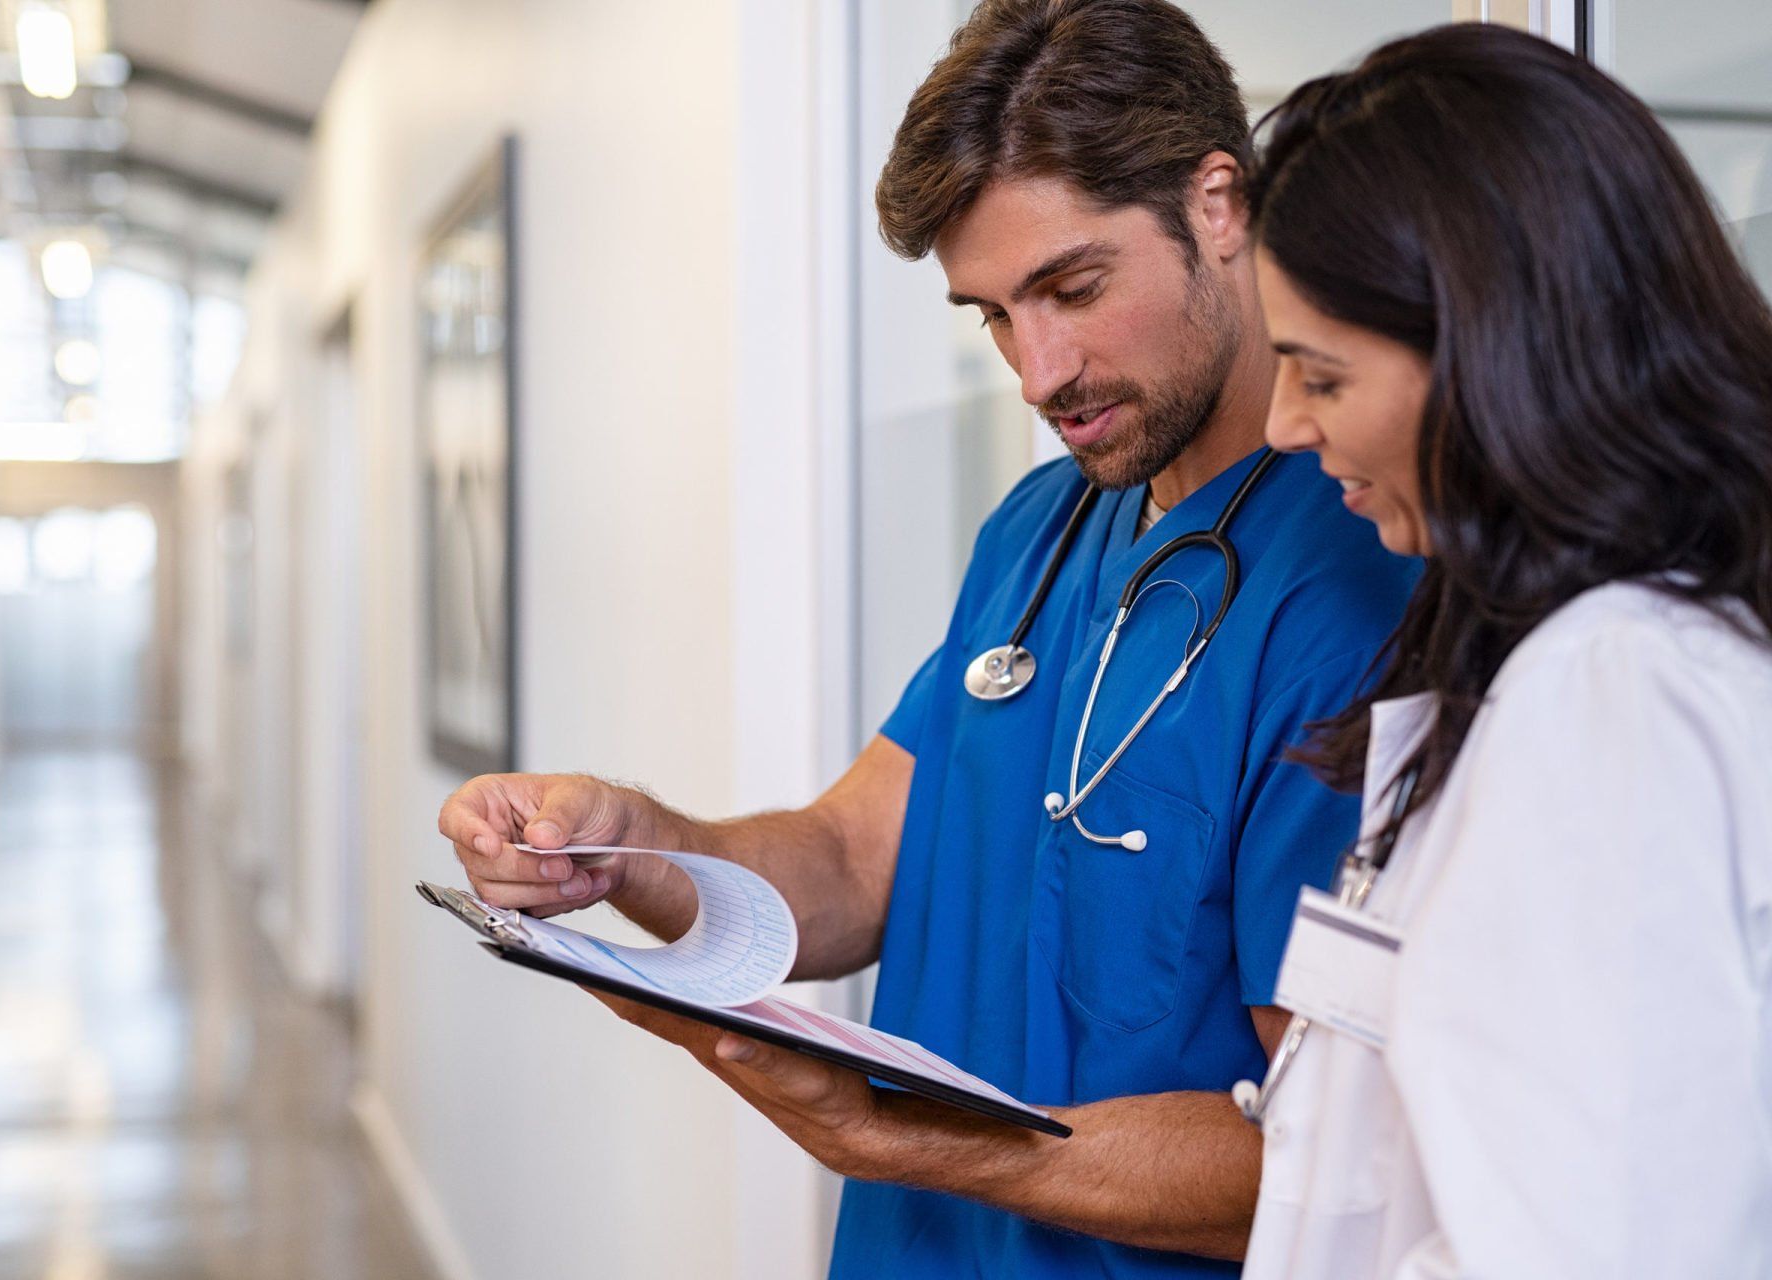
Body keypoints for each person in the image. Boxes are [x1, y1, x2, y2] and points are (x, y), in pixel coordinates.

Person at [438, 2, 1416, 1274]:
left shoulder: (1360, 582)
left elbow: (1330, 1159)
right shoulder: (1041, 527)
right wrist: (630, 843)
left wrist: (904, 1139)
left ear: (1220, 204)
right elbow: (853, 860)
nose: (1037, 371)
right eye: (994, 315)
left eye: (1073, 287)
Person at [1240, 23, 1772, 1278]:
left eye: (1320, 374)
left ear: (1490, 354)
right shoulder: (1562, 668)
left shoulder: (1616, 688)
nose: (1280, 424)